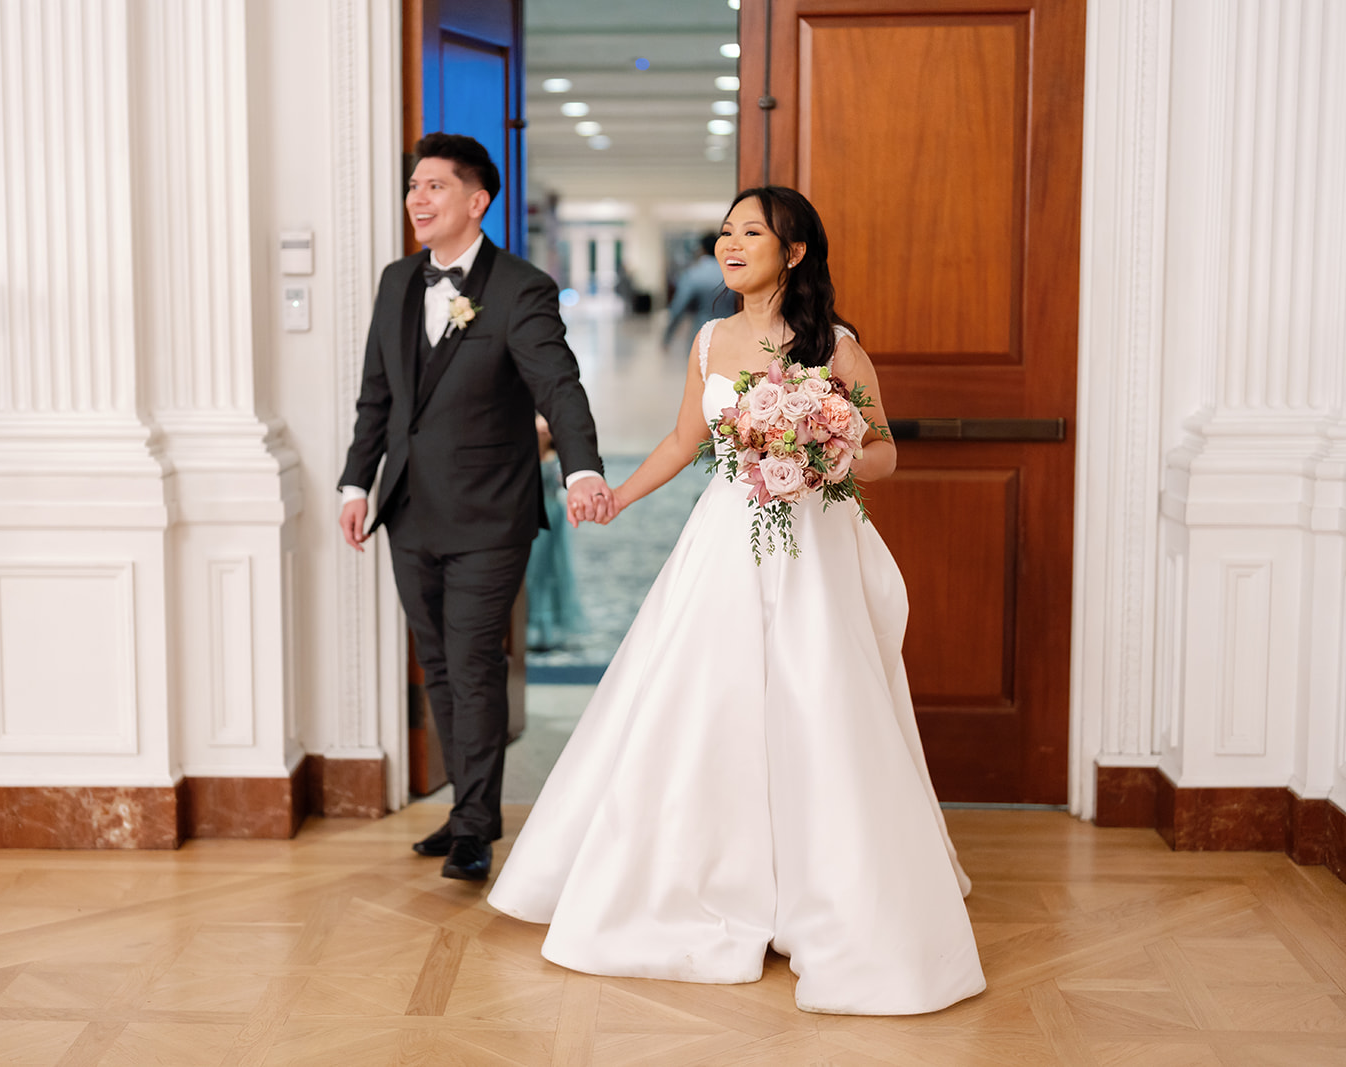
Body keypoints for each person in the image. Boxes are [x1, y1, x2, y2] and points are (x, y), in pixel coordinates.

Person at [488, 186, 985, 1015]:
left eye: (750, 232)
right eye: (724, 232)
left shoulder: (840, 347)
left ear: (793, 252)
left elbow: (886, 453)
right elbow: (687, 442)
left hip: (814, 549)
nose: (730, 244)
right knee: (703, 702)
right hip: (724, 544)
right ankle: (697, 876)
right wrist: (616, 495)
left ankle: (832, 888)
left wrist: (832, 448)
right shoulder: (709, 338)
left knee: (819, 704)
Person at [338, 132, 613, 882]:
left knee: (473, 661)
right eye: (412, 187)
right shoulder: (399, 281)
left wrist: (582, 467)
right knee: (439, 665)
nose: (416, 200)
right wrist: (357, 483)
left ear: (475, 200)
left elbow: (560, 385)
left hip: (491, 510)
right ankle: (470, 809)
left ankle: (473, 828)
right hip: (409, 509)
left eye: (433, 186)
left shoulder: (521, 287)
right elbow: (380, 396)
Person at [525, 415, 585, 651]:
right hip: (534, 515)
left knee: (550, 569)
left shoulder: (555, 457)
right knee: (533, 571)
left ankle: (545, 626)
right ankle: (532, 624)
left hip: (551, 517)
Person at [661, 233, 732, 345]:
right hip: (732, 335)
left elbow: (678, 308)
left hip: (702, 335)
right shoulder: (732, 273)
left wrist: (667, 337)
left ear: (702, 249)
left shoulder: (693, 274)